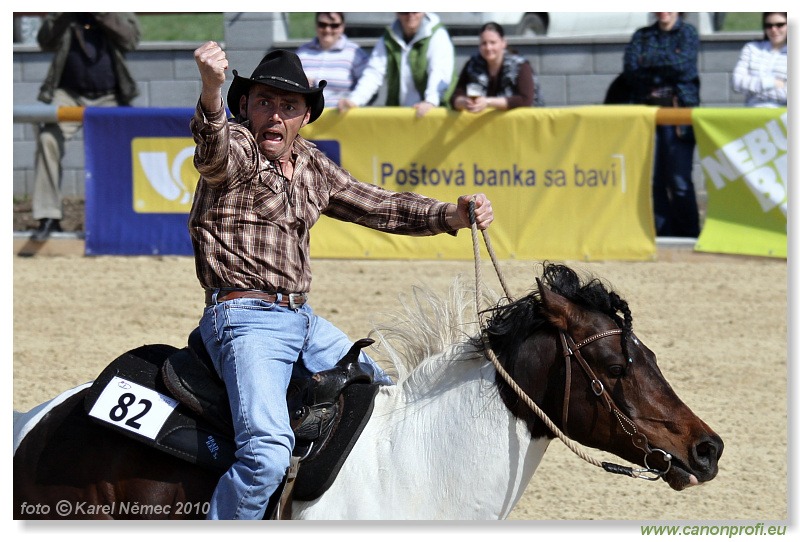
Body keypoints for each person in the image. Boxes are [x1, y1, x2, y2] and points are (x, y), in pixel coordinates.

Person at [190, 41, 494, 520]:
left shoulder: (311, 164)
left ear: (305, 116)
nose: (274, 115)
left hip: (301, 319)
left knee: (390, 401)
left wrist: (450, 215)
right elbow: (213, 152)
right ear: (243, 105)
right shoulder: (239, 151)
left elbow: (378, 204)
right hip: (244, 318)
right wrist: (211, 92)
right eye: (264, 102)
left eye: (288, 105)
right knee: (265, 456)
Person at [31, 12, 140, 241]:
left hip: (110, 96)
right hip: (68, 95)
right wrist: (64, 14)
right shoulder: (63, 12)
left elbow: (130, 40)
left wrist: (101, 13)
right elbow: (45, 42)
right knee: (48, 139)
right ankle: (48, 217)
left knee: (121, 152)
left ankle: (116, 218)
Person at [623, 12, 700, 238]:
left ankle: (689, 235)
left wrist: (648, 61)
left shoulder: (688, 33)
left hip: (678, 114)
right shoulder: (642, 36)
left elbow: (684, 67)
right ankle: (661, 233)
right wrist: (666, 63)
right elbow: (631, 70)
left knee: (679, 179)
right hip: (646, 114)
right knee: (652, 180)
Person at [337, 12, 455, 118]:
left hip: (431, 114)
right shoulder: (388, 38)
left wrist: (431, 101)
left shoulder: (438, 35)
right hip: (401, 115)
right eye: (404, 11)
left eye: (415, 10)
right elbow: (373, 74)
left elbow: (439, 71)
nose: (410, 15)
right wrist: (355, 100)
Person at [450, 22, 542, 112]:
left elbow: (526, 100)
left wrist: (488, 102)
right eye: (484, 43)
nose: (488, 48)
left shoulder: (520, 66)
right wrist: (465, 102)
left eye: (493, 43)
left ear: (503, 43)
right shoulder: (472, 64)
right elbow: (454, 97)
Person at [295, 12, 369, 108]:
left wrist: (353, 100)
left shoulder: (355, 53)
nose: (327, 30)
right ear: (316, 25)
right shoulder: (301, 53)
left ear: (342, 27)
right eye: (322, 25)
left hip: (342, 117)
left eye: (334, 25)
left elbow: (368, 84)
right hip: (307, 118)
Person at [732, 12, 787, 108]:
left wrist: (753, 91)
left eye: (780, 25)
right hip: (752, 115)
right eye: (769, 26)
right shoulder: (751, 48)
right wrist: (771, 83)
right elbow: (736, 83)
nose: (774, 30)